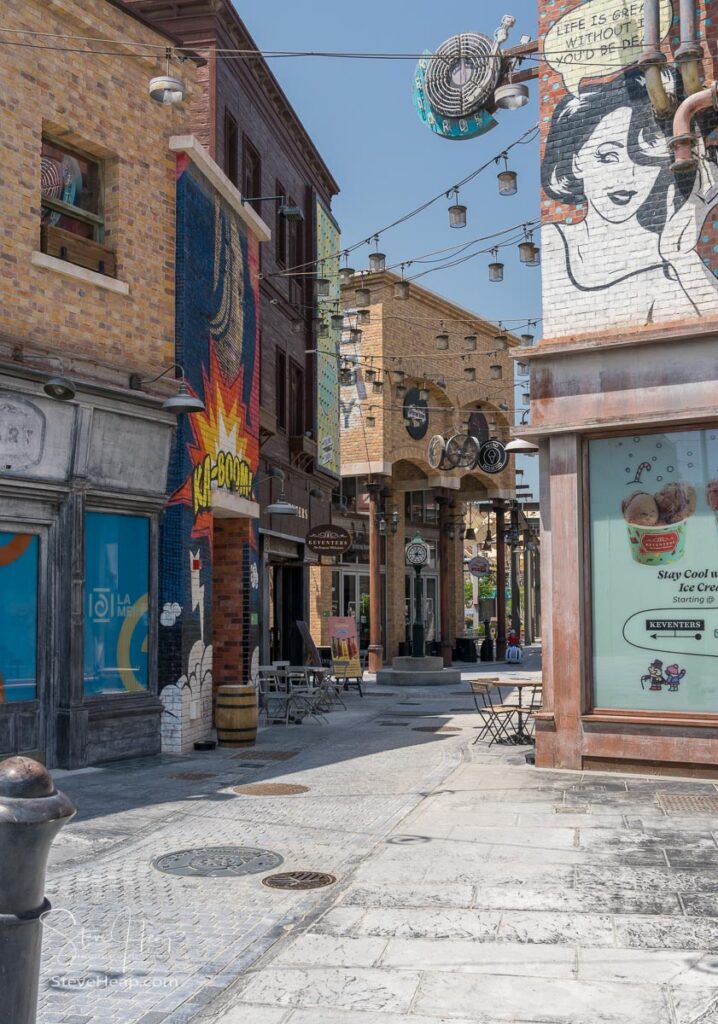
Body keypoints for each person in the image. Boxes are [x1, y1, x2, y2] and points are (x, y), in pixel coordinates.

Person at [541, 67, 718, 332]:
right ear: (576, 160)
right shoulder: (553, 240)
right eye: (607, 156)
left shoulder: (666, 267)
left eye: (644, 161)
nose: (628, 175)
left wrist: (679, 255)